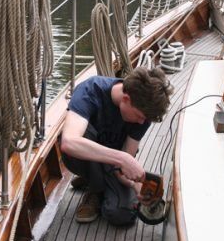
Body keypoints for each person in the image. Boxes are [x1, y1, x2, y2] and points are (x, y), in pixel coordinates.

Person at [60, 67, 173, 226]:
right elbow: (69, 142)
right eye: (140, 117)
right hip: (82, 157)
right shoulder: (90, 90)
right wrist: (122, 158)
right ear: (126, 98)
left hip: (112, 166)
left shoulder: (143, 114)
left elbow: (122, 169)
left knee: (122, 215)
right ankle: (95, 188)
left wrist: (135, 184)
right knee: (82, 134)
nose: (141, 123)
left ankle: (95, 180)